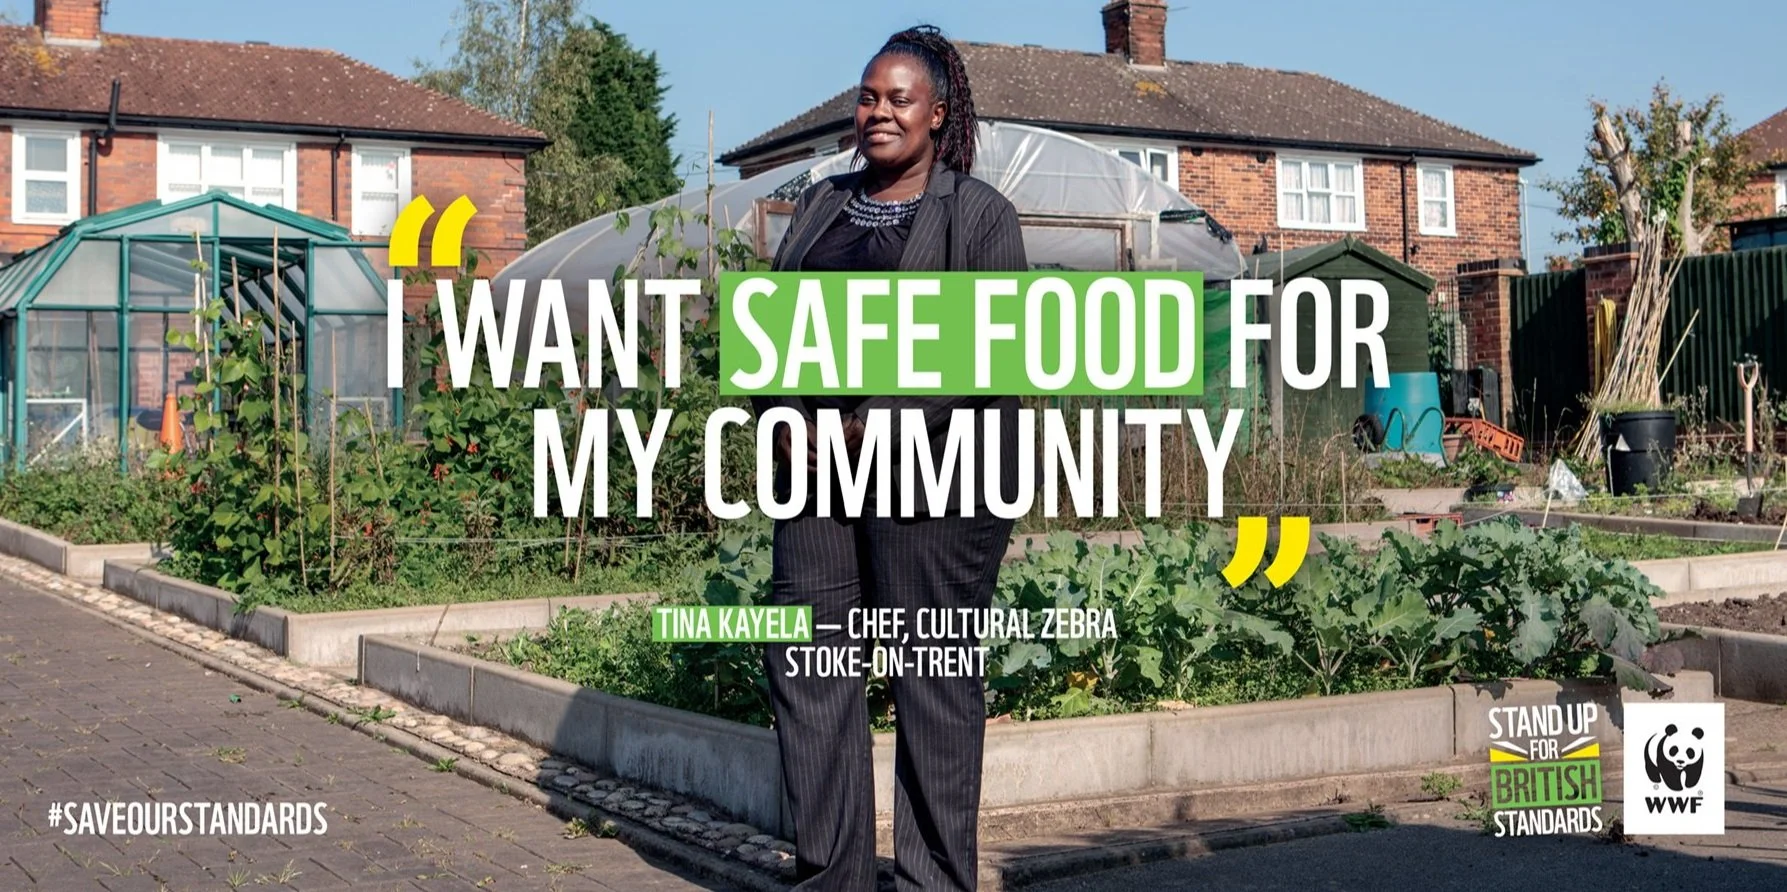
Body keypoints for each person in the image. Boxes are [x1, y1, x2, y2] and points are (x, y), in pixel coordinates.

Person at [751, 24, 1027, 892]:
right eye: (868, 97)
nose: (878, 112)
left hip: (935, 479)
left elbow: (988, 351)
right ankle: (828, 875)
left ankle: (932, 882)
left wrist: (873, 428)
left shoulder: (977, 214)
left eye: (897, 98)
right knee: (808, 665)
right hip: (818, 478)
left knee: (930, 682)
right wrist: (787, 418)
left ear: (937, 114)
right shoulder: (824, 203)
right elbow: (771, 331)